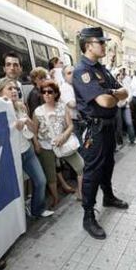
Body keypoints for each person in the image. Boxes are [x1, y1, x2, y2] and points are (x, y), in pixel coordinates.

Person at [72, 27, 129, 240]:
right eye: (101, 43)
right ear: (89, 45)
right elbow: (105, 101)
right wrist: (112, 94)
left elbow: (124, 91)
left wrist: (110, 93)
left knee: (108, 165)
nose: (105, 46)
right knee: (93, 172)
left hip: (108, 127)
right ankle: (88, 215)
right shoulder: (82, 71)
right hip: (94, 130)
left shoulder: (101, 70)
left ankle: (108, 196)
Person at [0, 77, 53, 218]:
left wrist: (25, 120)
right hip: (11, 155)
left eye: (15, 88)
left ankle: (37, 209)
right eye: (9, 88)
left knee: (41, 181)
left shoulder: (20, 106)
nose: (14, 91)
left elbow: (33, 129)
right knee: (14, 188)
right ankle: (18, 217)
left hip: (27, 151)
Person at [33, 80, 84, 207]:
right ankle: (55, 198)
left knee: (81, 166)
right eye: (43, 92)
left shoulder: (62, 107)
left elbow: (70, 126)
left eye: (50, 92)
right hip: (46, 146)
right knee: (51, 175)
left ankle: (81, 193)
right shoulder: (38, 111)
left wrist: (63, 136)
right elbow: (34, 131)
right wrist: (36, 145)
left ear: (56, 93)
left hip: (64, 144)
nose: (46, 94)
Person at [60, 65, 85, 200]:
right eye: (69, 73)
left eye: (73, 72)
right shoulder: (65, 88)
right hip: (71, 123)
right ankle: (78, 185)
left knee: (79, 149)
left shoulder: (74, 86)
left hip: (78, 121)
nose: (72, 75)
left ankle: (79, 182)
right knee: (76, 150)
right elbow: (71, 104)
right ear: (64, 76)